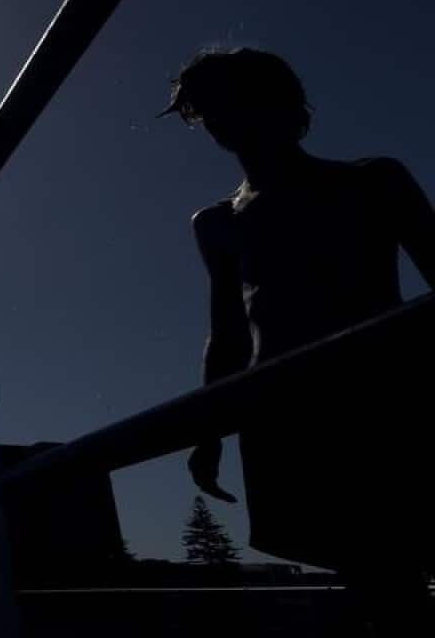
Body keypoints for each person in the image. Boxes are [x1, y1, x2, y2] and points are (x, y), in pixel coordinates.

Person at [165, 47, 435, 634]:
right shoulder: (216, 223)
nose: (220, 122)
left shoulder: (372, 182)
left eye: (231, 104)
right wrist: (207, 433)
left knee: (397, 563)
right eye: (209, 112)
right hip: (283, 417)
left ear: (282, 105)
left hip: (382, 400)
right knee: (371, 578)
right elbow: (229, 333)